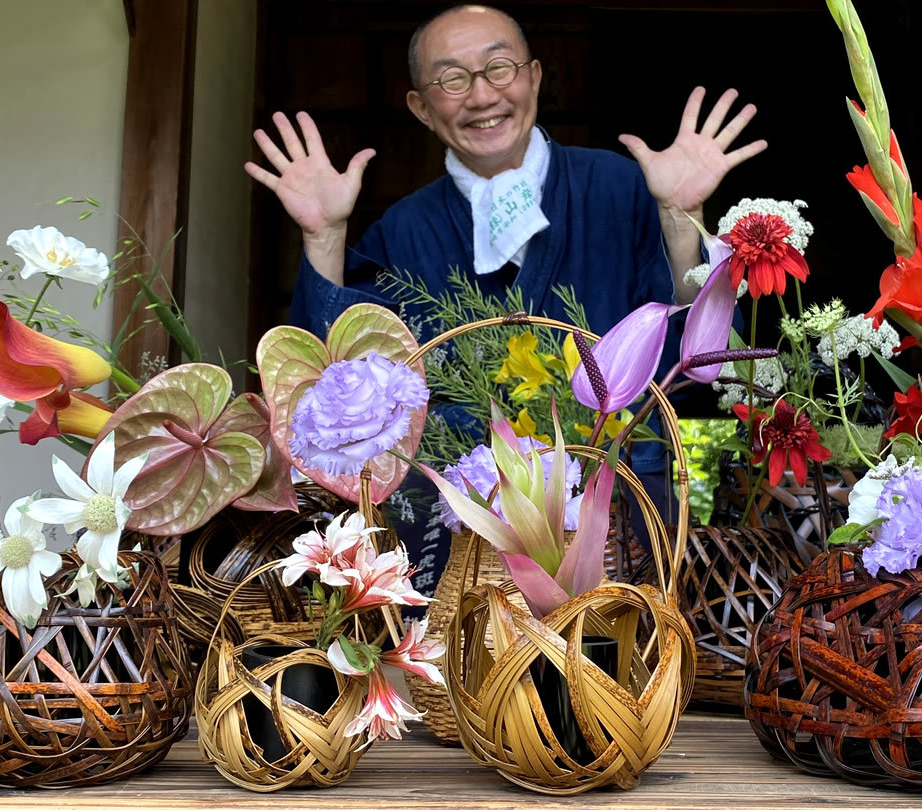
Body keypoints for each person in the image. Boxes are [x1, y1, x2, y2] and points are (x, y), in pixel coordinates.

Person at [246, 4, 765, 592]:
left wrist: (681, 217)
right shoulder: (402, 230)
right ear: (420, 105)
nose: (482, 95)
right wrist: (324, 236)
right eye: (451, 78)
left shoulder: (621, 189)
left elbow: (697, 368)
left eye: (499, 68)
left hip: (615, 536)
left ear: (535, 77)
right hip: (453, 554)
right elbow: (330, 403)